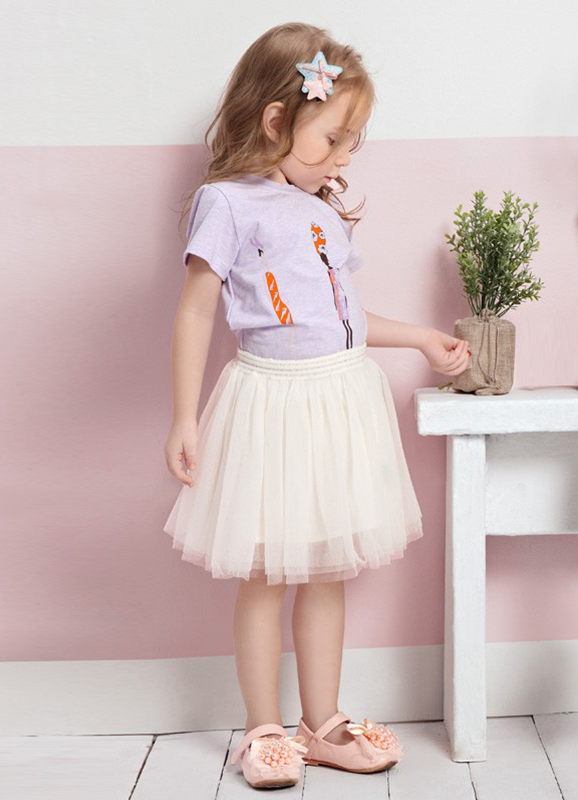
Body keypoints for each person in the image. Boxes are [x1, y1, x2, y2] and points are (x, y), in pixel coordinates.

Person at [163, 22, 471, 791]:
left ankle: (321, 722)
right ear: (276, 120)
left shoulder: (322, 209)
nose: (344, 158)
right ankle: (264, 728)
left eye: (352, 142)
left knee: (327, 568)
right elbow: (195, 311)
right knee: (266, 571)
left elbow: (345, 318)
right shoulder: (226, 203)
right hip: (272, 406)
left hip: (339, 399)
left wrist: (420, 338)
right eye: (334, 138)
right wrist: (184, 416)